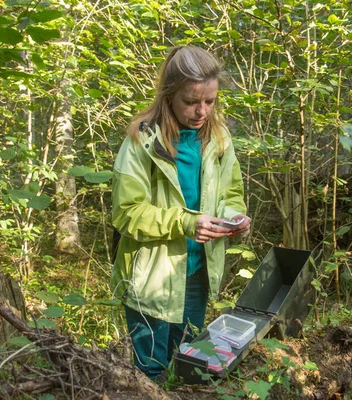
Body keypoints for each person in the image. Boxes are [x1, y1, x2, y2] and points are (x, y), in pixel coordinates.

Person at [110, 45, 251, 379]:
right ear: (169, 95)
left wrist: (236, 219)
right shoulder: (142, 141)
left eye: (210, 101)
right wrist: (187, 222)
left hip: (198, 272)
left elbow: (231, 194)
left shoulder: (218, 139)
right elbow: (127, 212)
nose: (201, 111)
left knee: (187, 365)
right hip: (152, 278)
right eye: (190, 101)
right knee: (150, 372)